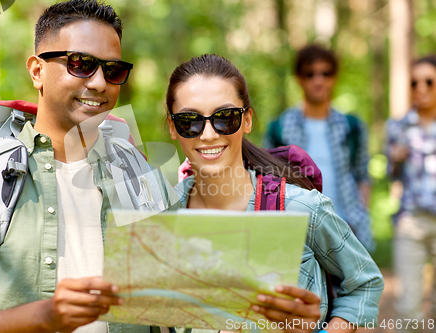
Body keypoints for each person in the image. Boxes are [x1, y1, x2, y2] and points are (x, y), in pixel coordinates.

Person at [0, 1, 180, 332]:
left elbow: (185, 310)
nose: (98, 83)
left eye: (113, 70)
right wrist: (44, 318)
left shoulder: (147, 184)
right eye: (81, 64)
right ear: (37, 71)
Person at [167, 54, 384, 332]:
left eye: (225, 117)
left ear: (247, 121)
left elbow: (364, 282)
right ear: (173, 127)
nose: (208, 134)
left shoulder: (302, 208)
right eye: (190, 121)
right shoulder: (162, 215)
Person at [264, 45, 374, 252]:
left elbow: (362, 176)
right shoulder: (279, 127)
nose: (318, 80)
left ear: (334, 77)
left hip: (347, 227)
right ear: (299, 78)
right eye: (310, 73)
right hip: (297, 230)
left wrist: (359, 214)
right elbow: (268, 181)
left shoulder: (352, 127)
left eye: (326, 73)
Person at [386, 55, 436, 332]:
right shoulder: (398, 126)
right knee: (408, 309)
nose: (421, 87)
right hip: (411, 222)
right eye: (414, 82)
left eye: (429, 81)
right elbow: (390, 175)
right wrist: (394, 159)